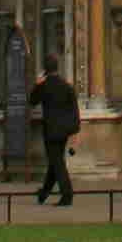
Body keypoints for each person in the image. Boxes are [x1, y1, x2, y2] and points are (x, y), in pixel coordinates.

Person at [32, 53, 79, 208]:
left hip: (51, 130)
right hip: (64, 130)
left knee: (57, 162)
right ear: (57, 67)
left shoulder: (44, 86)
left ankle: (67, 195)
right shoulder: (67, 86)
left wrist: (37, 84)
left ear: (45, 69)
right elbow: (74, 110)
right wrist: (74, 131)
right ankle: (44, 193)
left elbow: (32, 101)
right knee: (55, 162)